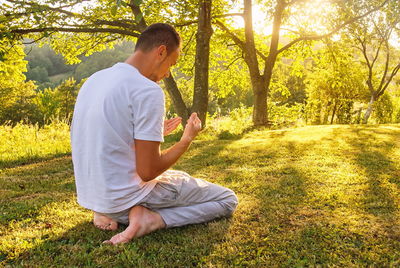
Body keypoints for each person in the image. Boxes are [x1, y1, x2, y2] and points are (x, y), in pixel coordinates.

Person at [71, 23, 238, 245]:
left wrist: (154, 132)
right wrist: (186, 139)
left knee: (181, 177)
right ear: (161, 52)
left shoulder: (94, 80)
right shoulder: (147, 89)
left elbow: (105, 135)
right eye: (172, 63)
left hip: (99, 199)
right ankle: (152, 219)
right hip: (126, 200)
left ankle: (107, 210)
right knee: (227, 199)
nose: (168, 72)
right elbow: (148, 171)